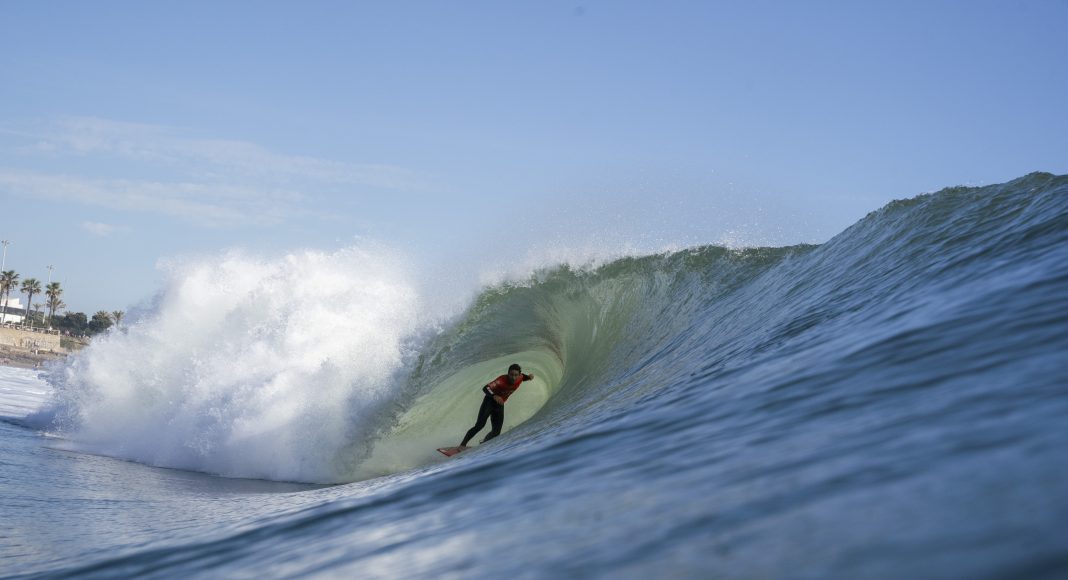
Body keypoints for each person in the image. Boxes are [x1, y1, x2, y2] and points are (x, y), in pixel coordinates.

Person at [458, 363, 534, 448]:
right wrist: (494, 395)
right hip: (489, 401)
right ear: (508, 373)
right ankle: (462, 445)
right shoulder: (501, 380)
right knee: (480, 425)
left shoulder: (520, 377)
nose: (513, 377)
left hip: (499, 404)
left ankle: (483, 444)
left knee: (496, 432)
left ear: (519, 375)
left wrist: (529, 377)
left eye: (516, 375)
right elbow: (486, 388)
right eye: (511, 375)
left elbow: (524, 377)